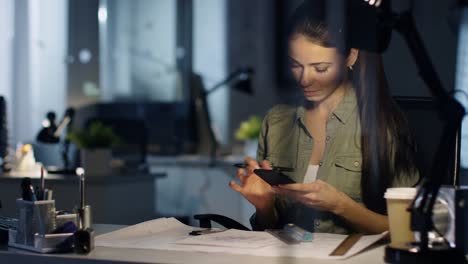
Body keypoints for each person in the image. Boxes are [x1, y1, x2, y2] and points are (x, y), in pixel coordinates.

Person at [229, 0, 419, 234]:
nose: (304, 79)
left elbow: (407, 232)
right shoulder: (277, 121)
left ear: (350, 57)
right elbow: (268, 231)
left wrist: (341, 205)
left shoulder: (382, 126)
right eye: (295, 65)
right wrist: (264, 205)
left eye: (320, 68)